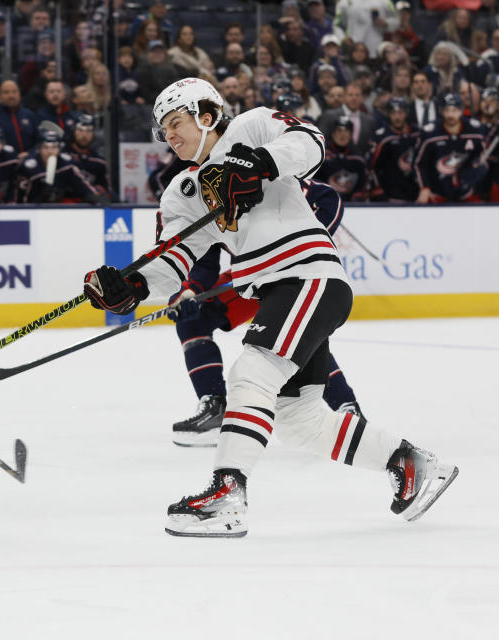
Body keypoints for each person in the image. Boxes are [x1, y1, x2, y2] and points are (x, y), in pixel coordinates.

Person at [81, 77, 457, 537]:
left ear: (205, 114)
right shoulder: (183, 190)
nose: (170, 136)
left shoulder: (252, 126)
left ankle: (227, 493)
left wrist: (259, 163)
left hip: (308, 274)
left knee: (250, 374)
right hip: (277, 290)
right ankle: (412, 463)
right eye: (165, 129)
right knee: (299, 421)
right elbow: (176, 258)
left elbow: (310, 141)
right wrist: (133, 285)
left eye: (176, 123)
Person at [169, 177, 360, 447]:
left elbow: (328, 198)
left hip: (296, 275)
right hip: (254, 279)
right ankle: (214, 407)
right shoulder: (204, 193)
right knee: (194, 321)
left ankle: (347, 408)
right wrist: (191, 291)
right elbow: (206, 261)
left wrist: (299, 246)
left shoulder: (254, 175)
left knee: (294, 338)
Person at [414, 93, 488, 203]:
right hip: (437, 193)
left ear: (461, 111)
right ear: (441, 111)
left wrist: (477, 167)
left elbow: (482, 157)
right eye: (447, 110)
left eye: (454, 110)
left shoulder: (475, 130)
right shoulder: (430, 133)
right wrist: (424, 187)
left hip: (467, 193)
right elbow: (419, 163)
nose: (450, 115)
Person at [15, 128, 108, 204]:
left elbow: (84, 188)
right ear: (39, 149)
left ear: (59, 149)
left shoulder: (67, 165)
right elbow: (21, 199)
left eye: (54, 147)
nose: (49, 152)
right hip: (32, 211)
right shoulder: (28, 168)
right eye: (45, 147)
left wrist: (96, 199)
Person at [369, 96, 420, 202]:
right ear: (388, 114)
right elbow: (372, 167)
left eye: (400, 113)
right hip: (392, 196)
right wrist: (378, 190)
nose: (397, 117)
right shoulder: (382, 137)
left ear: (406, 113)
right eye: (394, 113)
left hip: (416, 194)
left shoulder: (417, 133)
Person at [0, 79, 38, 155]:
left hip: (29, 161)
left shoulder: (30, 115)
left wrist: (29, 153)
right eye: (6, 92)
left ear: (19, 94)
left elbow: (39, 142)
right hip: (2, 164)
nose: (11, 95)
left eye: (14, 92)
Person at [66, 113, 110, 196]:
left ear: (93, 134)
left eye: (89, 131)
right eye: (80, 130)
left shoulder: (99, 162)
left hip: (89, 205)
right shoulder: (62, 157)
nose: (84, 135)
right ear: (73, 132)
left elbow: (105, 191)